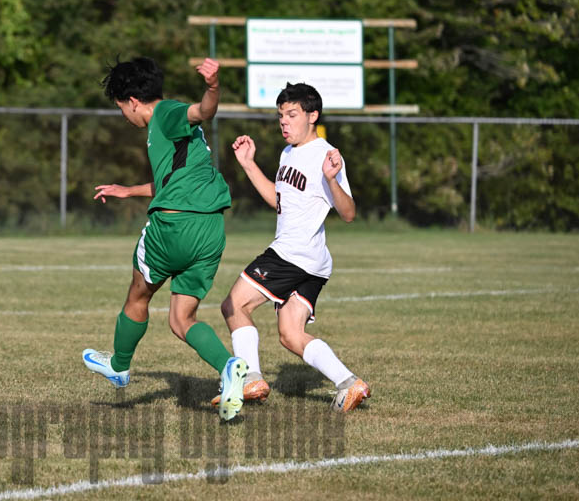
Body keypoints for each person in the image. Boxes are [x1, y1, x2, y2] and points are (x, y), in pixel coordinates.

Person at [82, 55, 249, 421]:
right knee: (180, 318)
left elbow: (202, 111)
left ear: (133, 102)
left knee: (138, 294)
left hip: (175, 228)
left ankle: (120, 366)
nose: (123, 116)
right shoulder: (172, 133)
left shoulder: (165, 113)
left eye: (121, 108)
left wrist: (213, 87)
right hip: (210, 231)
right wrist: (130, 190)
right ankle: (230, 367)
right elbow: (173, 180)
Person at [213, 82, 371, 413]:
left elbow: (349, 213)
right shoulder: (288, 153)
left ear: (313, 115)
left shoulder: (325, 155)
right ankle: (349, 383)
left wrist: (331, 179)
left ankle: (251, 378)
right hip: (313, 261)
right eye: (281, 115)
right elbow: (279, 201)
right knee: (290, 334)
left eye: (292, 114)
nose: (284, 121)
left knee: (233, 306)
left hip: (292, 254)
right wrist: (248, 164)